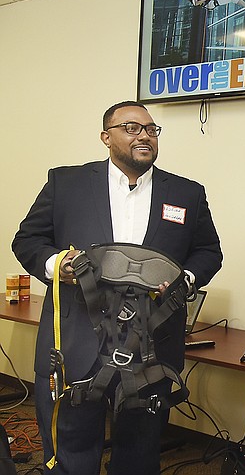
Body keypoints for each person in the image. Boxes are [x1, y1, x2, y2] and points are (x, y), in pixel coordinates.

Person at [12, 101, 223, 475]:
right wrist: (57, 265)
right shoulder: (66, 183)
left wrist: (184, 280)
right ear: (106, 138)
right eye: (131, 127)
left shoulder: (187, 194)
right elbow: (27, 241)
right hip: (76, 342)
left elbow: (208, 252)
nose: (144, 135)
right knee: (71, 446)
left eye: (151, 129)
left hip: (152, 346)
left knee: (140, 449)